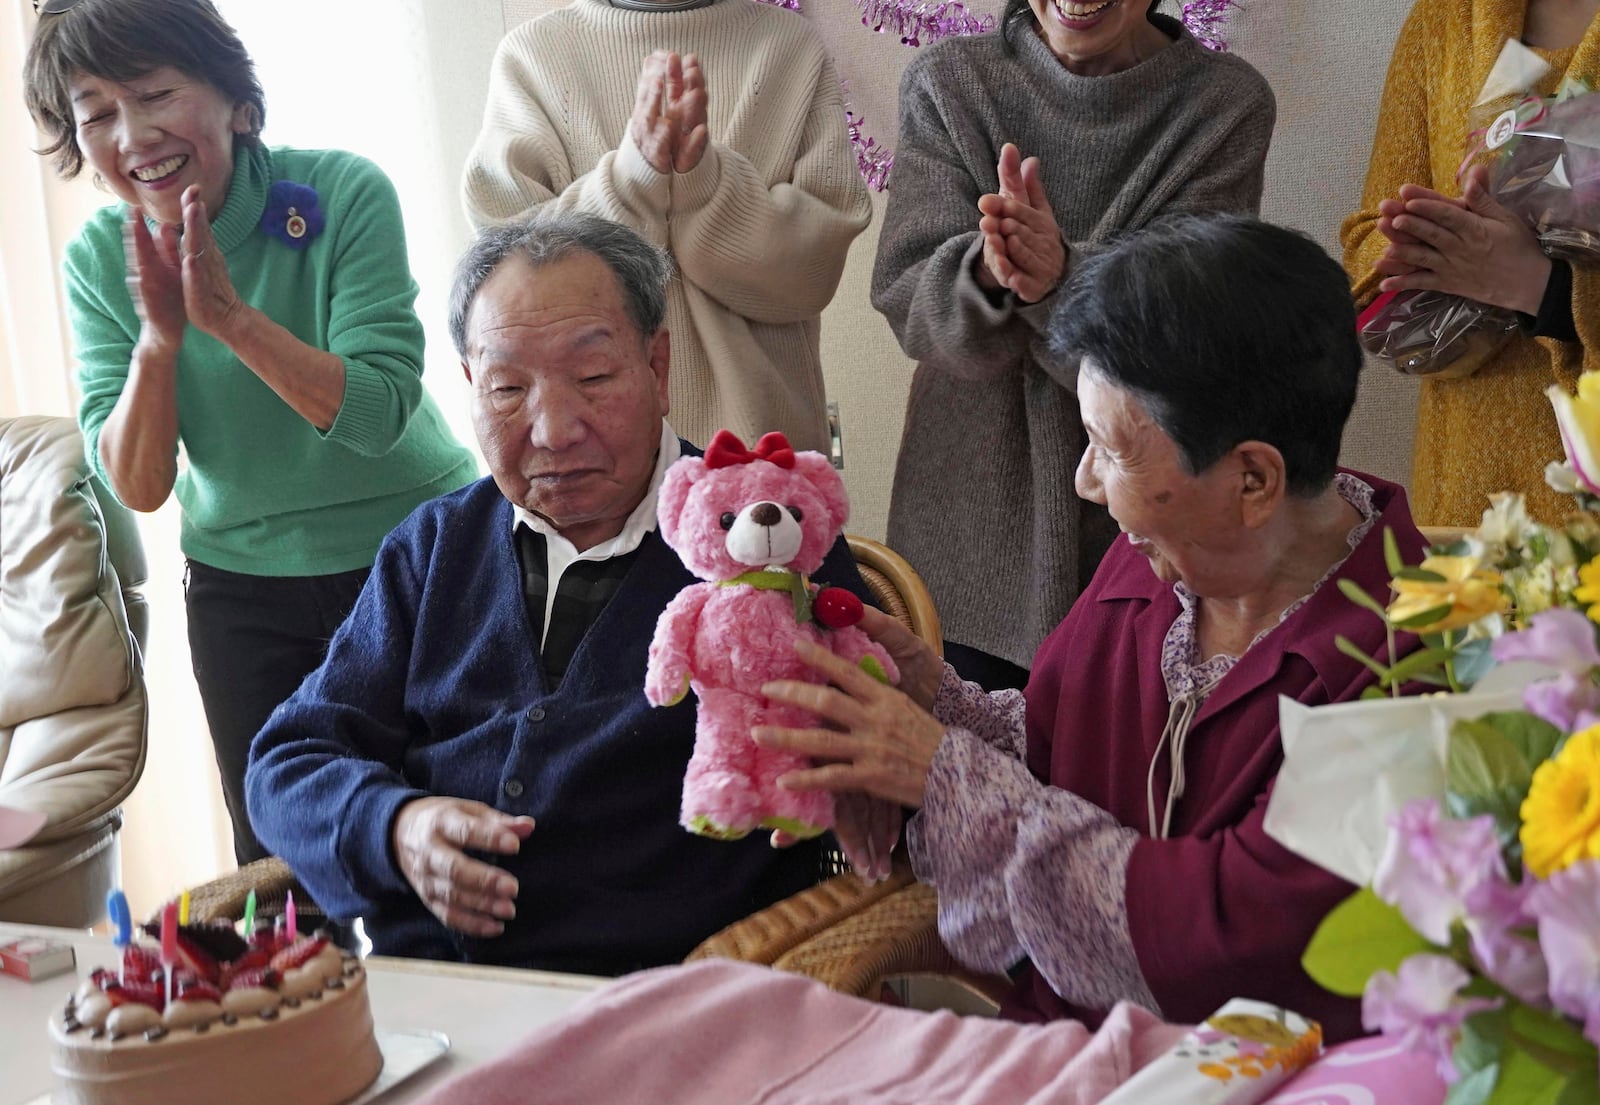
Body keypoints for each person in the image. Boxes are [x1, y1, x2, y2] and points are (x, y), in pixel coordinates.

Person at [756, 215, 1425, 1043]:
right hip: (1062, 1047)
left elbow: (1228, 945)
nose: (1084, 482)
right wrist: (935, 706)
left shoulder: (1401, 669)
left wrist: (940, 768)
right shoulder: (1154, 562)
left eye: (1109, 448)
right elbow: (1054, 756)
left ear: (1252, 478)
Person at [246, 212, 875, 974]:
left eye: (594, 377)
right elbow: (288, 758)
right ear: (472, 385)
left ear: (658, 364)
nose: (553, 428)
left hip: (676, 1001)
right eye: (509, 386)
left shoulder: (766, 538)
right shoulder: (435, 546)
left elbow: (871, 748)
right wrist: (396, 825)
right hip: (436, 1002)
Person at [22, 0, 476, 866]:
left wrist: (227, 317)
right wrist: (159, 339)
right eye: (99, 116)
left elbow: (378, 413)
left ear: (237, 100)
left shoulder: (343, 192)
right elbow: (140, 486)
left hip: (418, 557)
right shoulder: (97, 264)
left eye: (156, 93)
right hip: (243, 589)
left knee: (453, 835)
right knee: (278, 869)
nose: (135, 134)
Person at [872, 0, 1275, 690]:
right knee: (948, 779)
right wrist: (990, 272)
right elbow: (909, 302)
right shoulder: (949, 82)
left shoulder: (1223, 106)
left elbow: (1190, 337)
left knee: (1113, 784)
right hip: (965, 543)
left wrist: (1059, 279)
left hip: (1145, 540)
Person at [459, 0, 870, 456]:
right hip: (579, 452)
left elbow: (809, 275)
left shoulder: (790, 46)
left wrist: (704, 184)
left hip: (758, 453)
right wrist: (631, 181)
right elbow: (513, 277)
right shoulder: (533, 54)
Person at [1344, 0, 1600, 526]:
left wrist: (1541, 289)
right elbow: (1366, 237)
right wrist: (1432, 239)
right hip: (1467, 487)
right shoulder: (1446, 16)